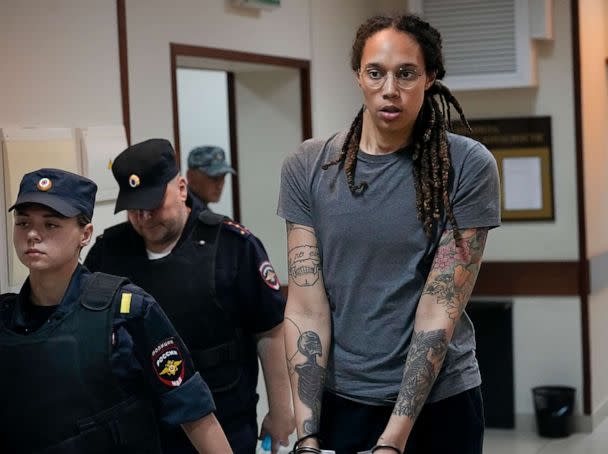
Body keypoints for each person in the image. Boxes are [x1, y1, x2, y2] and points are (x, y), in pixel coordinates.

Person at [277, 14, 500, 454]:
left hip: (439, 403)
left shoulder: (468, 165)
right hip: (342, 402)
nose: (389, 88)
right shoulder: (308, 166)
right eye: (375, 72)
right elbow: (306, 306)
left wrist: (391, 442)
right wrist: (307, 433)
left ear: (430, 78)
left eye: (406, 73)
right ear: (359, 75)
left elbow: (440, 309)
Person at [0, 168, 231, 454]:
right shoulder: (5, 319)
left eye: (51, 225)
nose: (33, 234)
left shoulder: (128, 310)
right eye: (23, 223)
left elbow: (193, 410)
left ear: (84, 234)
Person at [85, 139, 294, 454]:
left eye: (153, 205)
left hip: (223, 419)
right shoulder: (108, 252)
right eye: (133, 208)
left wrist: (280, 410)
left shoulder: (233, 246)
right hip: (139, 427)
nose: (143, 217)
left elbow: (270, 329)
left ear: (181, 188)